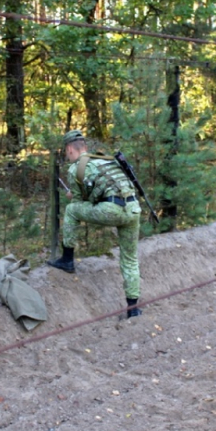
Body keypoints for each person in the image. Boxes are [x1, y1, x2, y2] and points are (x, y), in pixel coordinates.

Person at [48, 130, 143, 318]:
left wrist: (70, 196)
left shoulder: (77, 168)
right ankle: (133, 309)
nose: (67, 156)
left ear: (69, 149)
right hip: (133, 209)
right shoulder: (106, 160)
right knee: (130, 259)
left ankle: (67, 259)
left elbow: (77, 201)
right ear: (84, 146)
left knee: (72, 210)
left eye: (66, 152)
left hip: (112, 210)